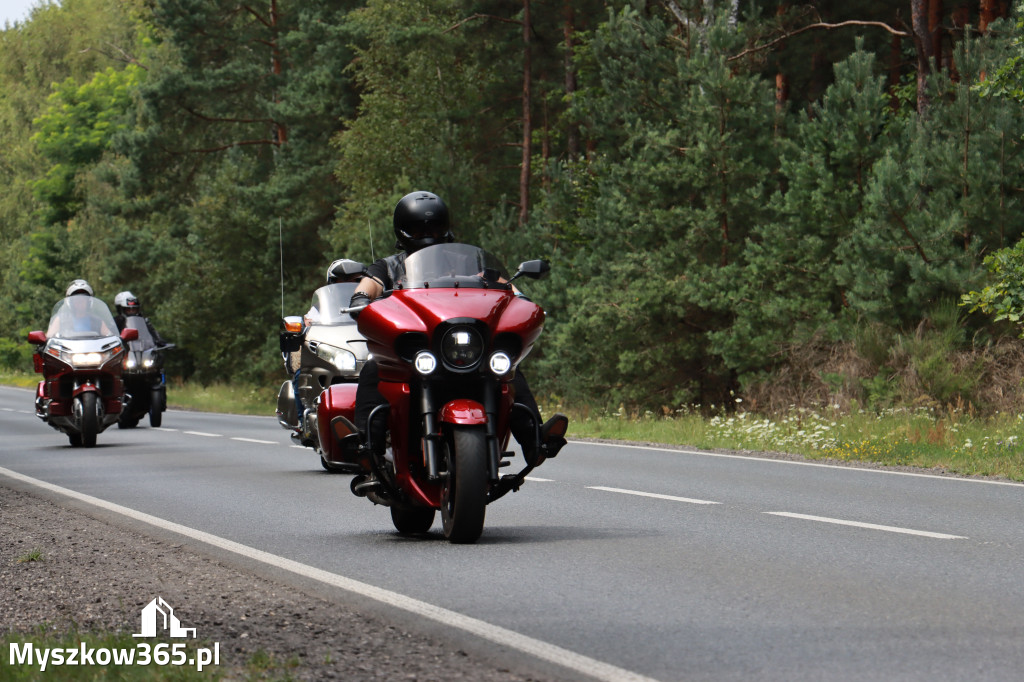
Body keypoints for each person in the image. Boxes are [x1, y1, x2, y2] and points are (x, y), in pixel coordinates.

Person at [349, 190, 567, 469]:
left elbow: (505, 285)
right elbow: (367, 287)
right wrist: (360, 299)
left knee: (509, 369)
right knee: (373, 369)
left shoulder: (468, 262)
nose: (428, 234)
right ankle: (367, 446)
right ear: (404, 231)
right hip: (418, 351)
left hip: (463, 346)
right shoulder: (388, 266)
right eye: (418, 228)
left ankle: (536, 442)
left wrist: (520, 298)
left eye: (435, 227)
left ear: (446, 228)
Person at [48, 280, 117, 337]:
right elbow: (49, 337)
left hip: (93, 352)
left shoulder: (97, 321)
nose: (80, 303)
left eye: (83, 300)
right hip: (67, 352)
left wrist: (117, 340)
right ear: (70, 302)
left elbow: (110, 336)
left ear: (89, 302)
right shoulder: (61, 320)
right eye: (76, 300)